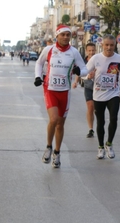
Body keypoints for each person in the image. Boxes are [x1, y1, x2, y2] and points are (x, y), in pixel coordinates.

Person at [34, 25, 88, 168]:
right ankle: (48, 146)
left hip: (65, 91)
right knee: (54, 119)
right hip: (50, 89)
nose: (65, 37)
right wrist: (38, 77)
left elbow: (85, 69)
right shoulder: (49, 49)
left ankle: (57, 152)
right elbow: (39, 63)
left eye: (68, 35)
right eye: (62, 35)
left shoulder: (74, 52)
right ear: (57, 36)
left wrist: (79, 71)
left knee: (60, 124)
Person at [85, 35, 120, 159]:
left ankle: (109, 144)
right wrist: (88, 76)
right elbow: (84, 71)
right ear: (102, 45)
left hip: (113, 93)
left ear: (115, 45)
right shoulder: (95, 58)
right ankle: (100, 147)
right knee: (100, 122)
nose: (109, 47)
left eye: (111, 45)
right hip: (98, 94)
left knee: (114, 118)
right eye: (107, 45)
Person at [73, 42, 96, 138]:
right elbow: (79, 72)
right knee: (90, 107)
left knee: (98, 110)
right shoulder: (83, 61)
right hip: (88, 86)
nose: (91, 52)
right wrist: (76, 81)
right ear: (86, 51)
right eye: (89, 50)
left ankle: (100, 127)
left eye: (93, 50)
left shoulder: (99, 60)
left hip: (99, 88)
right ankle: (91, 129)